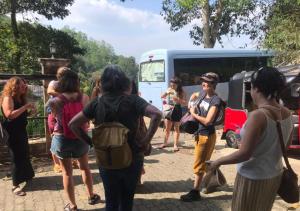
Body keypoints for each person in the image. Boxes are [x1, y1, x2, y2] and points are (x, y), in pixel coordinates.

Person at [69, 65, 162, 211]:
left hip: (106, 157)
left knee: (111, 200)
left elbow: (73, 124)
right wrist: (145, 142)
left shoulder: (96, 102)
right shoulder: (133, 100)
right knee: (127, 200)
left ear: (103, 83)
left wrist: (91, 143)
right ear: (124, 82)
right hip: (132, 156)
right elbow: (157, 114)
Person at [208, 67, 294, 211]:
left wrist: (217, 162)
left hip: (253, 177)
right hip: (274, 175)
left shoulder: (258, 116)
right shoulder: (287, 113)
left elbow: (244, 154)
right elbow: (286, 145)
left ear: (256, 89)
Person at [48, 69, 100, 211]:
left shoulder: (55, 101)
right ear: (77, 82)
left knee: (67, 173)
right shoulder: (84, 97)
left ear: (62, 83)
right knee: (85, 167)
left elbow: (54, 117)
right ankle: (91, 196)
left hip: (61, 138)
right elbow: (87, 117)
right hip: (80, 137)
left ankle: (72, 205)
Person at [180, 72, 221, 202]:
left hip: (206, 135)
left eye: (207, 81)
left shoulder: (215, 100)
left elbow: (208, 121)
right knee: (205, 162)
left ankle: (195, 192)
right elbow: (194, 95)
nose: (203, 83)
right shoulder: (202, 94)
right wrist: (191, 102)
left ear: (213, 84)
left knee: (199, 164)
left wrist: (193, 113)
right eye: (203, 80)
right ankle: (214, 182)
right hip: (200, 134)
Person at [1, 77, 36, 196]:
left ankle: (27, 175)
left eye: (25, 86)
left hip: (21, 131)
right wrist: (25, 107)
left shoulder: (20, 99)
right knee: (16, 157)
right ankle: (15, 185)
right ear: (14, 86)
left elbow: (22, 114)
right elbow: (9, 115)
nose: (24, 88)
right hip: (12, 133)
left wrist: (32, 111)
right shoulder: (8, 98)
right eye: (22, 86)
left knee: (24, 153)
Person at [160, 77, 187, 152]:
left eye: (173, 85)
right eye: (171, 85)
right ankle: (165, 143)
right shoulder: (169, 89)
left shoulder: (181, 91)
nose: (172, 87)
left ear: (178, 85)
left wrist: (178, 100)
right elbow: (162, 97)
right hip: (169, 110)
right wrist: (166, 93)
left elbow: (185, 102)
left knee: (176, 128)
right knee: (167, 129)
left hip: (177, 109)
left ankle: (175, 145)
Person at [46, 80, 62, 173]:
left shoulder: (67, 83)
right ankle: (56, 164)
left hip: (63, 113)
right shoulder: (53, 82)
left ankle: (73, 161)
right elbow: (49, 91)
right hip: (52, 114)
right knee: (54, 140)